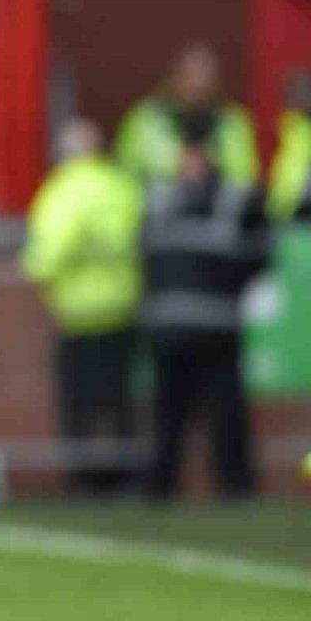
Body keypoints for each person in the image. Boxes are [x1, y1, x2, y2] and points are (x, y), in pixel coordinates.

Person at [21, 119, 143, 494]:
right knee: (119, 398)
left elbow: (48, 252)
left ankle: (85, 479)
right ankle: (124, 477)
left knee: (79, 401)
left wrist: (38, 271)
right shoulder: (121, 186)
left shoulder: (62, 190)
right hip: (122, 306)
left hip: (76, 311)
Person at [142, 144, 263, 500]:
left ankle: (235, 484)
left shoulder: (234, 202)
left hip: (216, 325)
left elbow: (258, 254)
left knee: (224, 412)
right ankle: (161, 483)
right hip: (171, 327)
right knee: (169, 413)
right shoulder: (159, 202)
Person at [115, 45, 258, 189]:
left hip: (216, 195)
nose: (197, 86)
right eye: (190, 77)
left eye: (204, 79)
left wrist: (210, 165)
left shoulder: (232, 120)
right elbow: (127, 166)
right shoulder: (146, 117)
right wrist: (175, 164)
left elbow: (245, 174)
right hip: (158, 194)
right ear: (175, 77)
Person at [267, 70, 311, 222]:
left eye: (304, 92)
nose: (297, 98)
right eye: (292, 93)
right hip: (286, 210)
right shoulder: (289, 127)